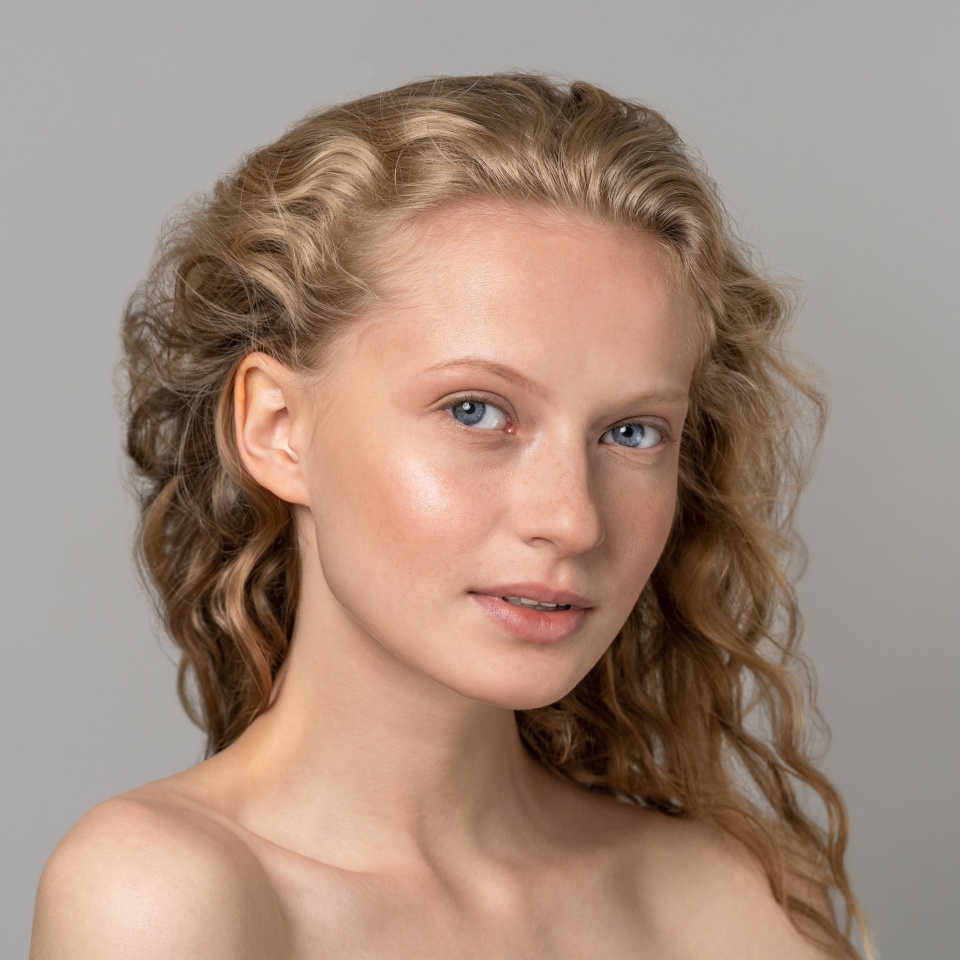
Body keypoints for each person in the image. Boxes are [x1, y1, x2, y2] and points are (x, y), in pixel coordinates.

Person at [30, 73, 871, 959]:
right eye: (476, 410)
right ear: (278, 430)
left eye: (631, 431)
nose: (573, 520)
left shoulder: (738, 906)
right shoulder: (162, 895)